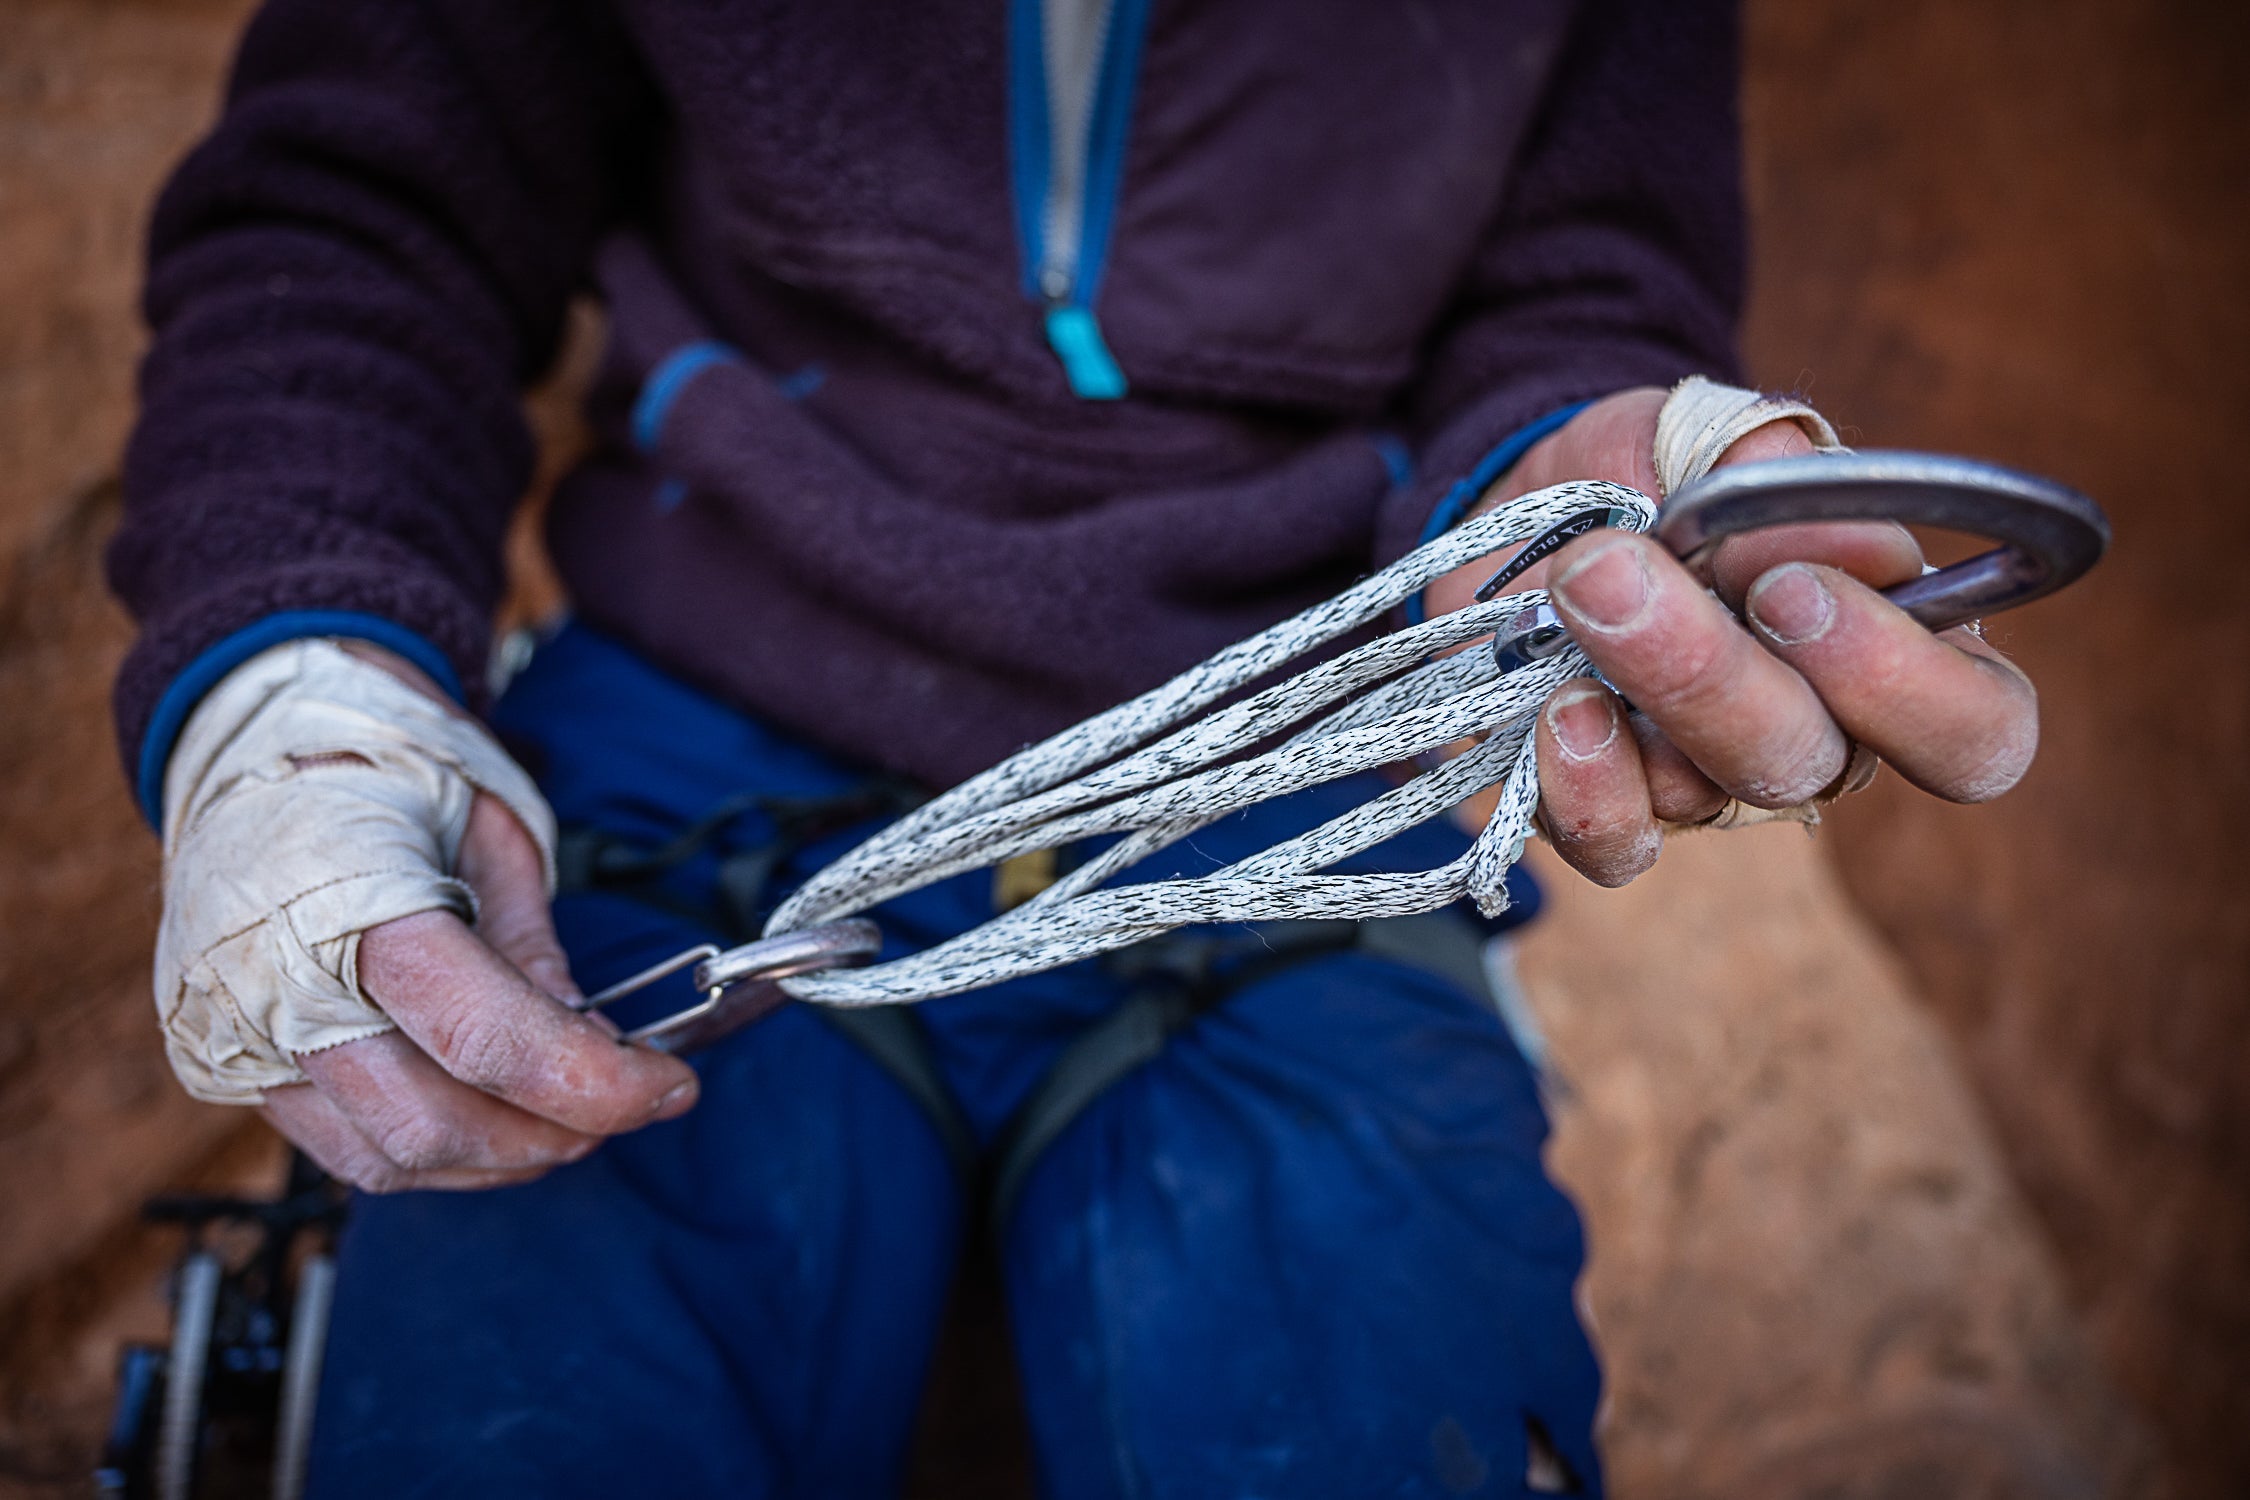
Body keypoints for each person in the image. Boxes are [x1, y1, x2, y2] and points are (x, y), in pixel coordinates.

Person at [111, 1, 2039, 1494]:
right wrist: (293, 699)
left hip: (1290, 778)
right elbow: (368, 210)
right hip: (668, 759)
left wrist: (1573, 490)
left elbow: (1572, 278)